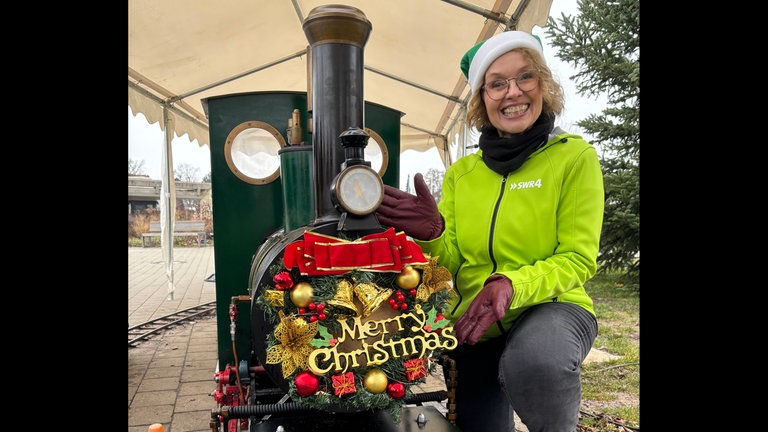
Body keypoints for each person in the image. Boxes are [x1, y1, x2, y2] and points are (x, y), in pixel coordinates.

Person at [376, 30, 604, 432]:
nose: (513, 92)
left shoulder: (574, 157)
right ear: (482, 99)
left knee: (537, 361)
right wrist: (432, 234)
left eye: (525, 77)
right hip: (477, 323)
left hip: (552, 306)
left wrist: (511, 285)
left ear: (543, 85)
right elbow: (451, 264)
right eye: (497, 84)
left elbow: (577, 259)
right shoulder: (463, 175)